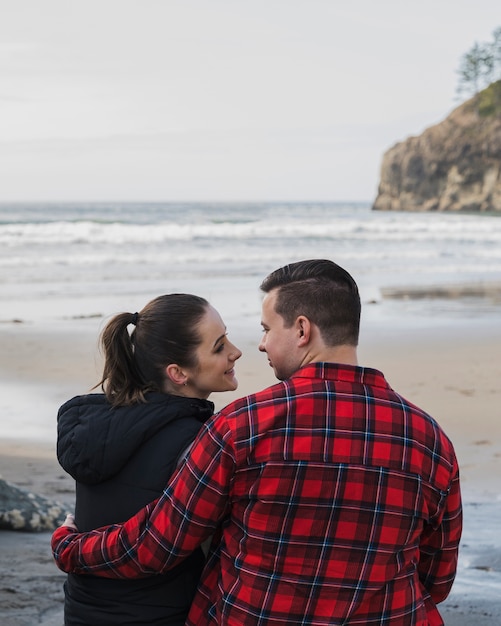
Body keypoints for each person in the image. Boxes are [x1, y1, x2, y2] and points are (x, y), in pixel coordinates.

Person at [52, 260, 462, 626]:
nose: (260, 344)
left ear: (302, 330)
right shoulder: (430, 440)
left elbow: (158, 545)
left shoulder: (241, 425)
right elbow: (437, 577)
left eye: (266, 329)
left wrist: (71, 546)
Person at [55, 293, 241, 625]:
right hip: (161, 615)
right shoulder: (199, 442)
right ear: (178, 372)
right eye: (218, 346)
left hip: (81, 611)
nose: (235, 351)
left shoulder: (98, 427)